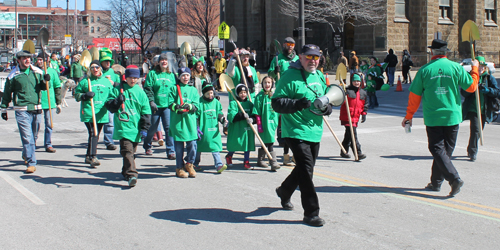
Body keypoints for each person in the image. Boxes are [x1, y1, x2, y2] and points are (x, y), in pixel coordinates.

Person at [402, 39, 479, 197]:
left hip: (433, 116)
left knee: (437, 149)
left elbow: (414, 97)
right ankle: (436, 183)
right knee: (445, 152)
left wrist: (409, 116)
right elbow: (471, 87)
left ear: (432, 52)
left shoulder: (424, 70)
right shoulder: (455, 68)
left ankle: (454, 178)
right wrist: (475, 69)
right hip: (452, 116)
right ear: (446, 53)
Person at [271, 44, 333, 227]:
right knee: (306, 171)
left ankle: (284, 190)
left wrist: (328, 107)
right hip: (295, 130)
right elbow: (276, 103)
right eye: (308, 57)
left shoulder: (319, 75)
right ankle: (311, 213)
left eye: (316, 57)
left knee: (305, 169)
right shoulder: (289, 76)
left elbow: (327, 97)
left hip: (314, 130)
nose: (312, 61)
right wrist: (297, 104)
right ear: (300, 57)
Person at [1, 50, 51, 173]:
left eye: (29, 58)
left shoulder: (37, 72)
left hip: (36, 108)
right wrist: (3, 108)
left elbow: (44, 88)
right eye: (24, 58)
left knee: (33, 136)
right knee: (27, 137)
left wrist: (46, 81)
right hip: (21, 110)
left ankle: (26, 152)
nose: (27, 60)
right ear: (18, 60)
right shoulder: (13, 75)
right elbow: (7, 93)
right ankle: (31, 162)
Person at [105, 65, 151, 187]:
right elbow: (109, 106)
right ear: (126, 77)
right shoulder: (117, 89)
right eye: (130, 77)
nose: (133, 80)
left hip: (135, 127)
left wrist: (145, 127)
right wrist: (116, 101)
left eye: (135, 78)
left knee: (131, 152)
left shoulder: (140, 93)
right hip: (123, 126)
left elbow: (146, 111)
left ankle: (125, 170)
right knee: (127, 151)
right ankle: (132, 174)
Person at [74, 60, 114, 167]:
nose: (95, 69)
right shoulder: (85, 81)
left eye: (97, 67)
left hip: (101, 113)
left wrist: (111, 102)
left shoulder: (106, 82)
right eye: (92, 68)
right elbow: (76, 94)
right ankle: (93, 156)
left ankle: (88, 156)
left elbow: (111, 95)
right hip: (89, 112)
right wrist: (84, 96)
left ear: (100, 68)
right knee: (93, 133)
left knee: (95, 134)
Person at [461, 56, 500, 162]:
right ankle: (473, 152)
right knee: (476, 130)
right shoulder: (470, 77)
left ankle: (470, 148)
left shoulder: (488, 78)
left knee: (479, 131)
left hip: (484, 109)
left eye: (482, 67)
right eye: (479, 67)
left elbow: (497, 92)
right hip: (473, 109)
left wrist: (486, 90)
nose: (480, 69)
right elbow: (463, 92)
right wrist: (472, 88)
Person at [143, 53, 177, 158]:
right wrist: (151, 101)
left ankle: (170, 150)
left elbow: (175, 90)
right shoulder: (152, 74)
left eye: (166, 60)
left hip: (167, 106)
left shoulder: (171, 75)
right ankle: (147, 145)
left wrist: (173, 103)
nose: (164, 62)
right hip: (155, 106)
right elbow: (148, 88)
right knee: (152, 128)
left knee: (168, 128)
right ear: (159, 62)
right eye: (162, 60)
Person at [168, 67, 200, 178]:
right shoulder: (174, 88)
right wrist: (176, 107)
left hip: (190, 123)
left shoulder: (193, 90)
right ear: (179, 77)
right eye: (183, 75)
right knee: (178, 148)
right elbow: (170, 102)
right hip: (178, 123)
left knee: (192, 145)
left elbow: (197, 105)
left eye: (187, 75)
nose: (185, 77)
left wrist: (190, 106)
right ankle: (179, 167)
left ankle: (190, 164)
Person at [194, 84, 227, 173]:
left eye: (211, 93)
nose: (210, 95)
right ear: (204, 94)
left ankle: (219, 164)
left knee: (215, 147)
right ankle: (194, 163)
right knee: (199, 147)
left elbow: (219, 113)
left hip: (214, 130)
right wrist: (196, 127)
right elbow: (196, 116)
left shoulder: (216, 102)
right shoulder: (200, 102)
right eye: (208, 94)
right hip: (203, 129)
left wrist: (223, 120)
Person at [35, 53, 62, 153]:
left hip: (49, 101)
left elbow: (57, 87)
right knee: (36, 124)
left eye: (42, 60)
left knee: (49, 124)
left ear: (47, 60)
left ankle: (48, 144)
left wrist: (58, 102)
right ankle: (32, 143)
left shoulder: (52, 72)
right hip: (37, 101)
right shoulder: (34, 71)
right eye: (38, 60)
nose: (40, 62)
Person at [226, 84, 257, 169]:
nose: (243, 94)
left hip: (247, 129)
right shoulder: (234, 103)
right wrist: (241, 115)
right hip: (237, 128)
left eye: (244, 92)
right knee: (236, 144)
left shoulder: (250, 104)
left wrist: (252, 119)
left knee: (248, 144)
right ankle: (229, 156)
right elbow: (231, 115)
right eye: (241, 93)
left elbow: (255, 115)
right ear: (237, 93)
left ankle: (246, 162)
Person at [254, 76, 280, 171]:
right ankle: (273, 162)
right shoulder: (260, 96)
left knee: (266, 142)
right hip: (264, 124)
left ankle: (260, 159)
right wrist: (259, 124)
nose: (267, 84)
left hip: (273, 123)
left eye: (269, 82)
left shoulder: (275, 95)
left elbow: (279, 109)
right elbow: (257, 111)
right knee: (269, 143)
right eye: (265, 83)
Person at [339, 74, 368, 160]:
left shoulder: (363, 93)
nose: (356, 83)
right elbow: (340, 100)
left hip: (356, 117)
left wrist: (364, 114)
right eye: (355, 81)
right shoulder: (347, 91)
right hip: (347, 116)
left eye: (358, 81)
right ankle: (358, 153)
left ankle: (344, 151)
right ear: (351, 82)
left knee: (348, 136)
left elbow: (365, 105)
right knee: (353, 135)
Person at [99, 48, 120, 150]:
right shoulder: (98, 71)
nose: (108, 63)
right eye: (105, 61)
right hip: (99, 99)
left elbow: (120, 85)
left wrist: (114, 83)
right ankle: (94, 139)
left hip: (111, 99)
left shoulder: (113, 72)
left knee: (110, 122)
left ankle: (109, 141)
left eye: (109, 61)